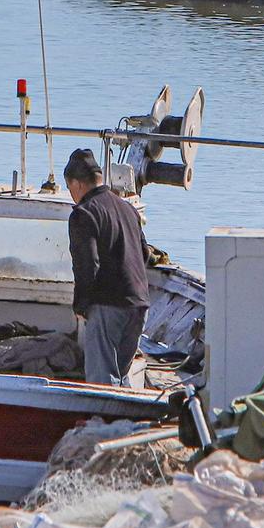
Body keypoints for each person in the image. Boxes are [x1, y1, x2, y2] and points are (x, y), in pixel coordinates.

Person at [63, 148, 149, 387]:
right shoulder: (128, 209)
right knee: (121, 377)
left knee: (101, 382)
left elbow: (87, 263)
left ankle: (102, 422)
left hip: (109, 306)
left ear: (77, 184)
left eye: (70, 189)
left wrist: (81, 305)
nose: (72, 195)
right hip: (140, 304)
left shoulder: (84, 213)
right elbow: (145, 255)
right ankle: (125, 421)